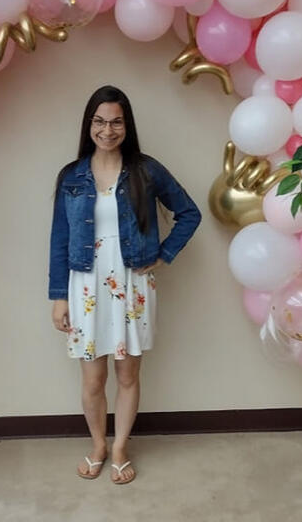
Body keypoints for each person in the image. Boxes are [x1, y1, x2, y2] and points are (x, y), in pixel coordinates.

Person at [49, 85, 201, 484]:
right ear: (89, 125)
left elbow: (189, 213)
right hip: (84, 283)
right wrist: (58, 297)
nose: (108, 129)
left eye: (116, 121)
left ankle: (120, 448)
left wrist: (163, 254)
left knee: (128, 374)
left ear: (126, 125)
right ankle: (98, 444)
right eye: (99, 121)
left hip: (132, 280)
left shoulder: (147, 170)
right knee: (93, 378)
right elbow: (59, 239)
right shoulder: (72, 176)